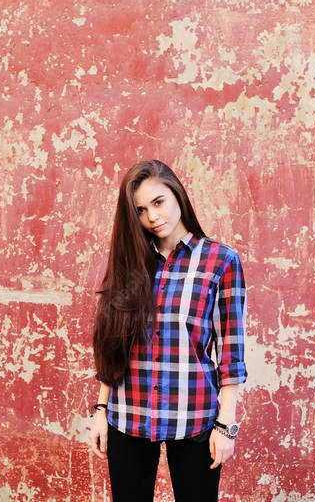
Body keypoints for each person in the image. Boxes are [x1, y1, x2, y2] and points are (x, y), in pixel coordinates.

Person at [88, 160, 247, 501]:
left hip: (195, 418)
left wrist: (226, 425)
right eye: (141, 210)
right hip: (128, 414)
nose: (152, 217)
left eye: (158, 202)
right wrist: (101, 411)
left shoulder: (221, 261)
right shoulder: (129, 261)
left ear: (177, 194)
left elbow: (231, 352)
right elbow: (112, 344)